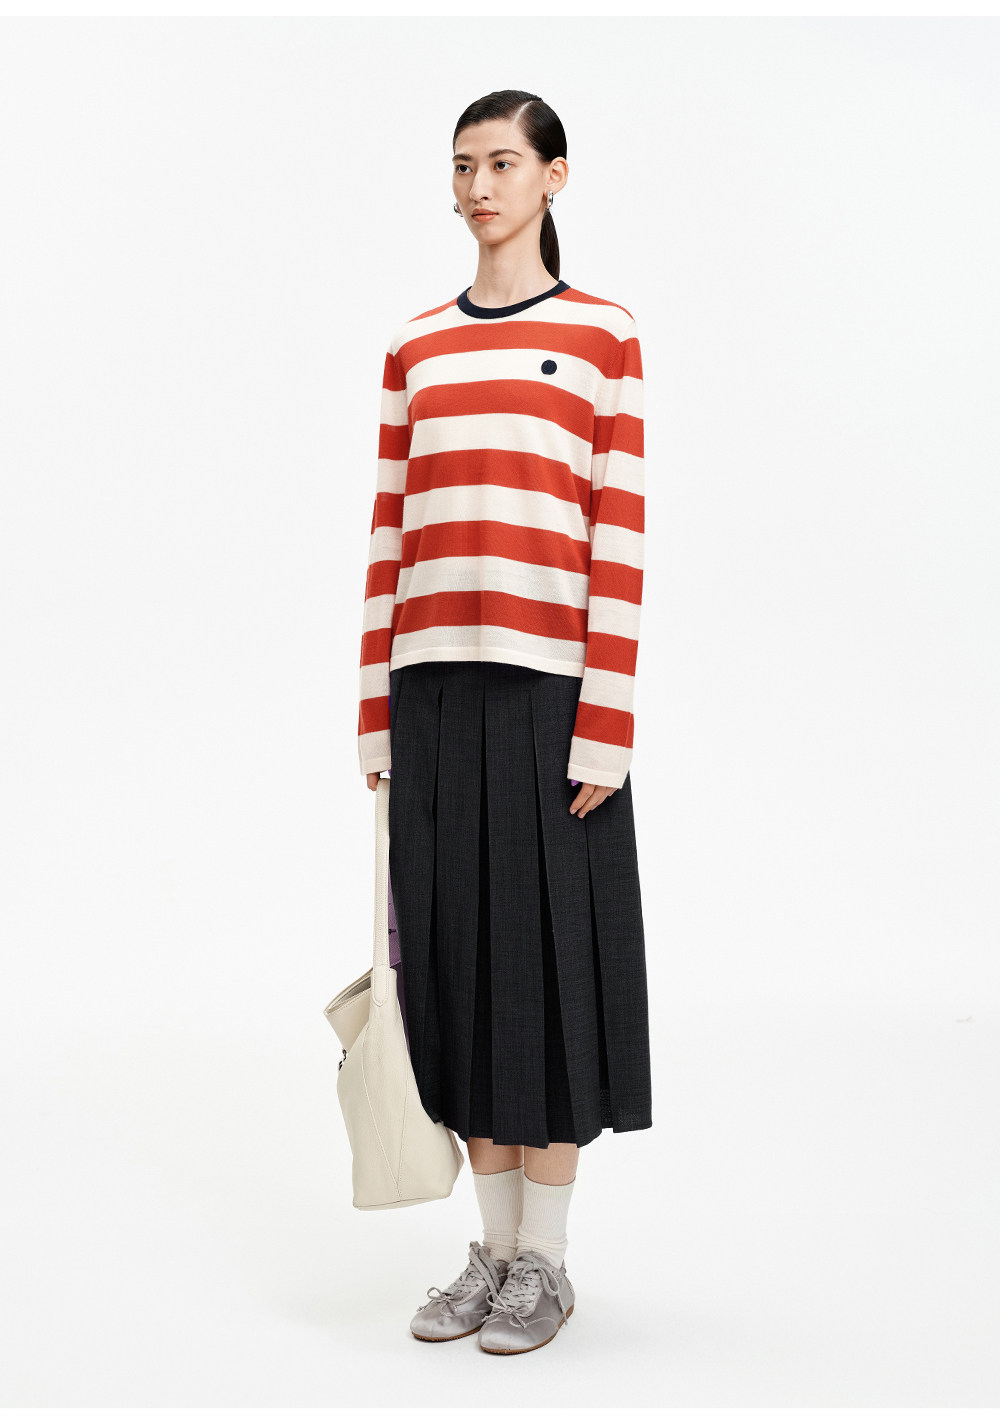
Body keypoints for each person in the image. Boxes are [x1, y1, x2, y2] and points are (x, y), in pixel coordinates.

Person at [356, 88, 653, 1355]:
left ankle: (548, 1262)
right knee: (459, 973)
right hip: (432, 694)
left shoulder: (601, 336)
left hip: (550, 700)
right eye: (462, 166)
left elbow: (618, 534)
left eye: (501, 164)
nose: (478, 187)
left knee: (547, 972)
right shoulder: (416, 346)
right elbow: (387, 538)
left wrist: (606, 722)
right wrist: (375, 718)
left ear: (553, 177)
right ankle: (488, 1252)